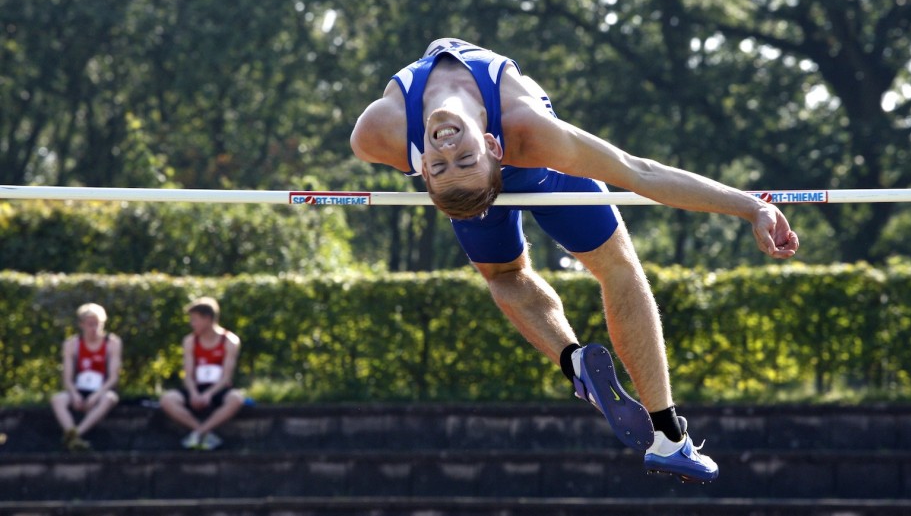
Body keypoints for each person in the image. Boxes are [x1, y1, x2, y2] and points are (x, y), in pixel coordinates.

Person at [350, 37, 800, 483]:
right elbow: (638, 171)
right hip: (504, 187)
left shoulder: (382, 134)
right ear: (426, 170)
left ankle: (577, 367)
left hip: (516, 179)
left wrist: (751, 206)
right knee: (615, 268)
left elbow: (641, 173)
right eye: (449, 162)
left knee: (507, 274)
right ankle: (667, 434)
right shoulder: (498, 138)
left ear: (493, 145)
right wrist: (752, 207)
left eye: (454, 158)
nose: (447, 151)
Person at [159, 297, 244, 450]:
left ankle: (199, 432)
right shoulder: (190, 341)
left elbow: (226, 376)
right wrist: (193, 393)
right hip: (197, 387)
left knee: (236, 399)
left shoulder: (230, 341)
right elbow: (189, 374)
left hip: (218, 388)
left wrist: (209, 394)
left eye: (195, 320)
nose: (192, 324)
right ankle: (203, 432)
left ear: (208, 319)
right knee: (167, 399)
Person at [50, 303, 122, 451]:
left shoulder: (112, 343)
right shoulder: (72, 344)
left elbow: (113, 378)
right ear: (82, 325)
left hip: (101, 390)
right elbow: (67, 378)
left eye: (98, 324)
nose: (94, 328)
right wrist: (74, 394)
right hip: (80, 389)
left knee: (109, 398)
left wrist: (96, 396)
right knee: (57, 399)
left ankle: (76, 434)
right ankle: (71, 432)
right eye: (90, 324)